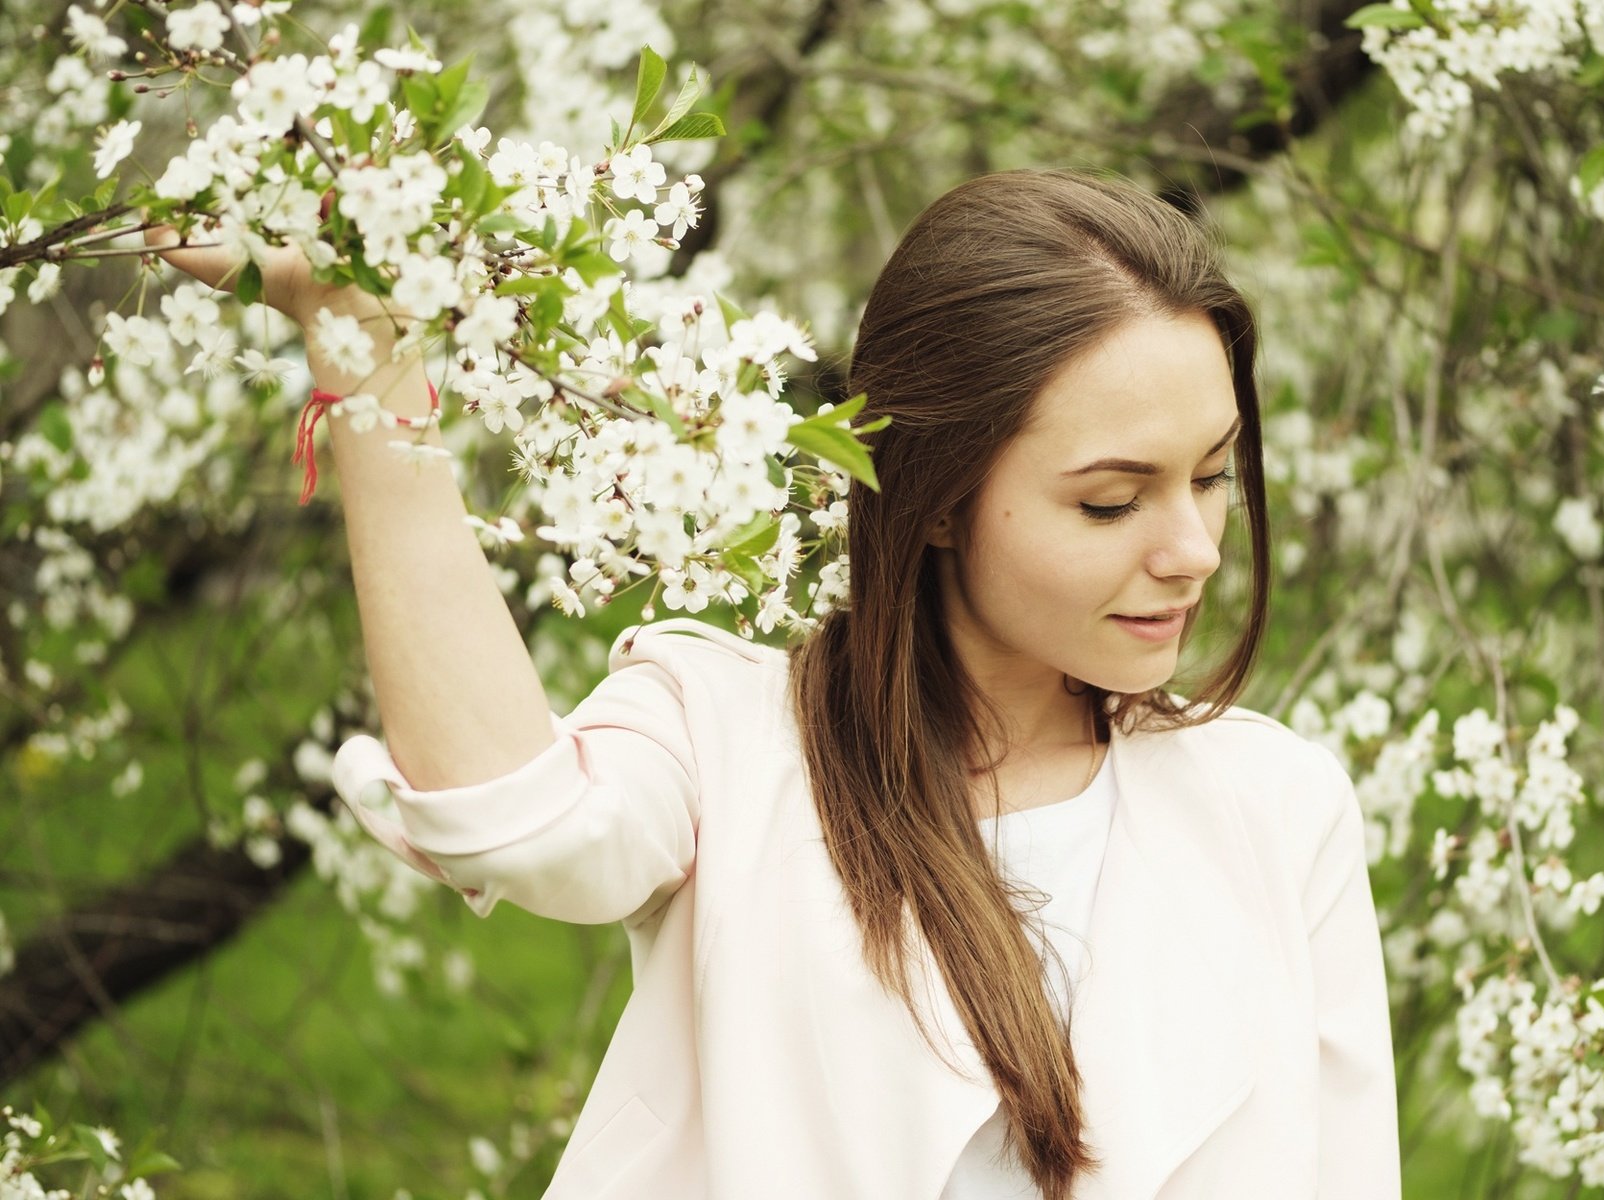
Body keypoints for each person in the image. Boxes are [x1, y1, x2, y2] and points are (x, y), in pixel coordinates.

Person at [151, 166, 1400, 1199]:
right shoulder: (730, 737)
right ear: (941, 496)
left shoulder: (1278, 812)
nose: (1190, 550)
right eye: (1113, 500)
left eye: (1216, 476)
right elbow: (509, 815)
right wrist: (368, 344)